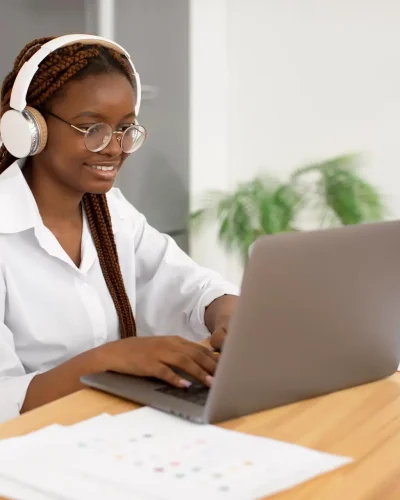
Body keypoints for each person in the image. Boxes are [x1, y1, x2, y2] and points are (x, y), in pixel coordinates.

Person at [0, 35, 239, 423]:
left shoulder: (110, 212)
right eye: (91, 128)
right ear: (30, 128)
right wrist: (108, 360)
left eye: (126, 129)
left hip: (106, 431)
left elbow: (185, 284)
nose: (115, 148)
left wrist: (225, 309)